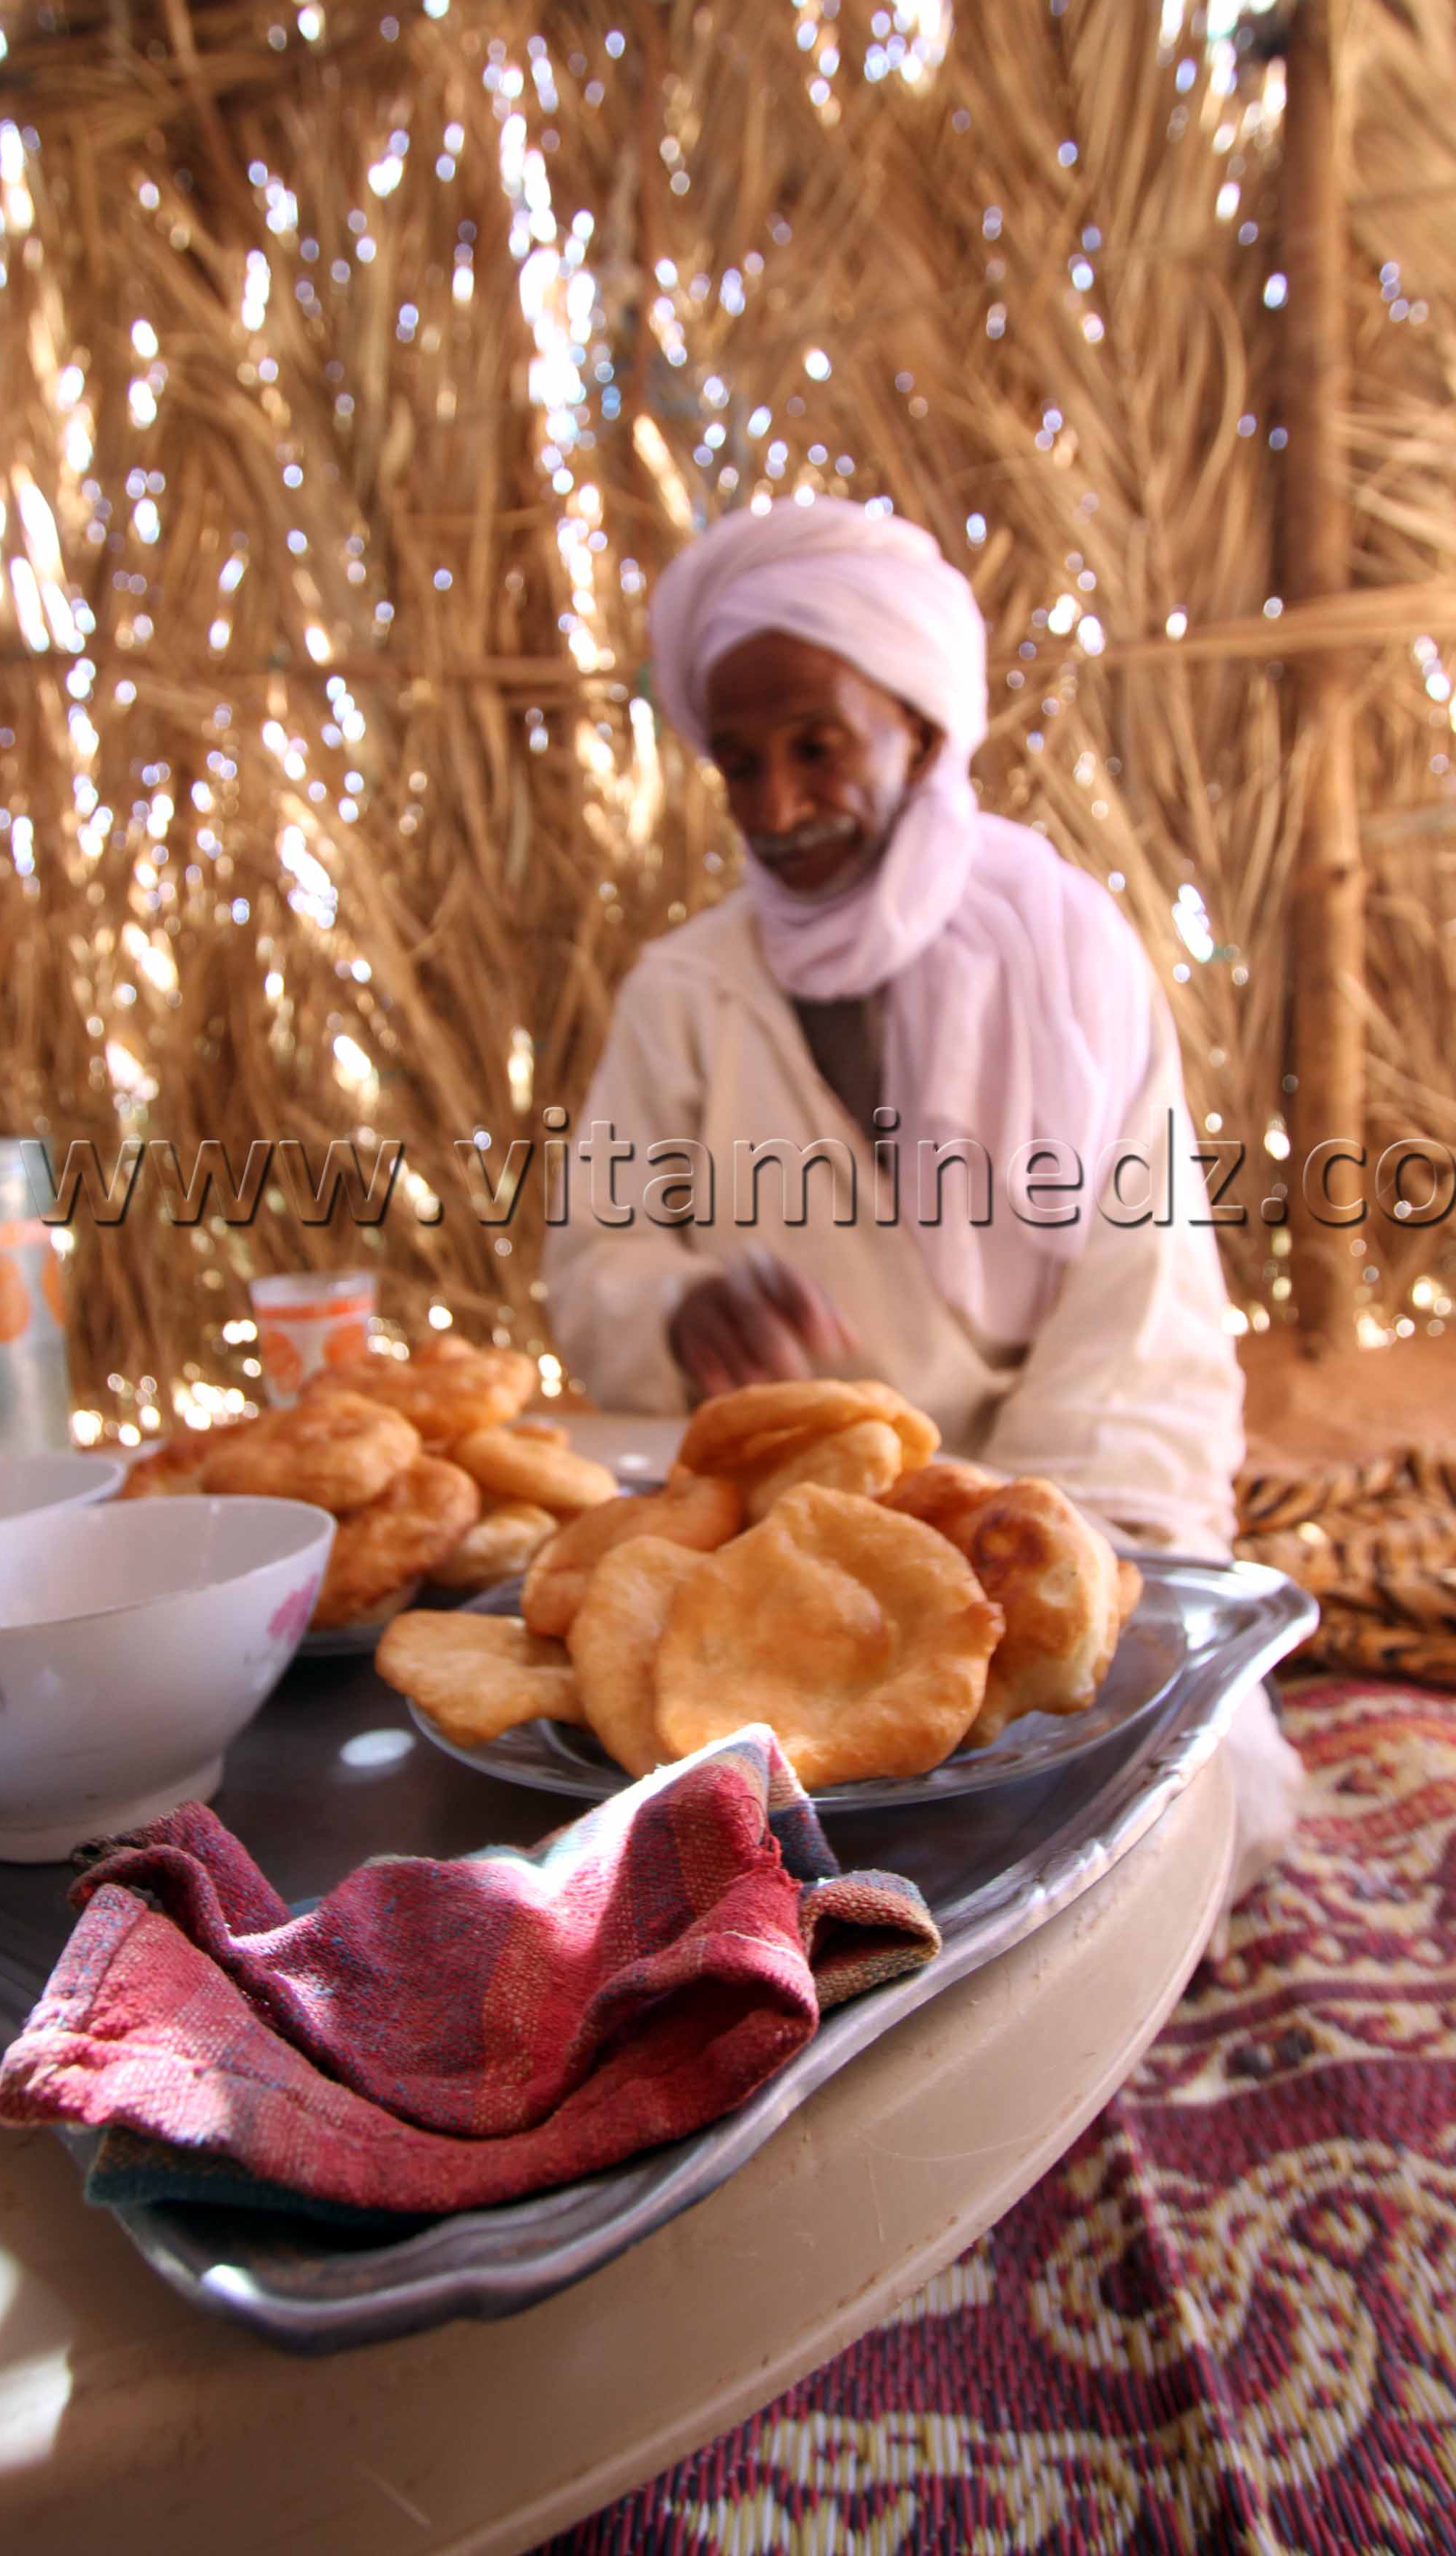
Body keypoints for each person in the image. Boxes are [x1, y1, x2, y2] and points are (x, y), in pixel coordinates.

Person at [543, 497, 1302, 1902]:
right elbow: (597, 1258)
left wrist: (1051, 1581)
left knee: (1186, 1819)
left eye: (816, 746)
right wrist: (676, 1311)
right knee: (715, 1848)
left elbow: (1143, 1312)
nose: (774, 807)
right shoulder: (685, 994)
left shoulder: (1066, 956)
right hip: (783, 1559)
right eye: (739, 763)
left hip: (1059, 1509)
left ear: (918, 725)